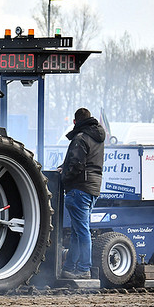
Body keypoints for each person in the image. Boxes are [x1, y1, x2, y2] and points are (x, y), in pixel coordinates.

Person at [59, 108, 106, 279]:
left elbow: (76, 164)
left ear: (74, 122)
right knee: (78, 231)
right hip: (92, 188)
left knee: (82, 231)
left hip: (79, 188)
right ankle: (70, 267)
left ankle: (84, 269)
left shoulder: (80, 138)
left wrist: (64, 176)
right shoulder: (98, 138)